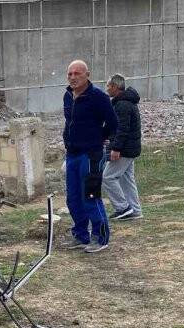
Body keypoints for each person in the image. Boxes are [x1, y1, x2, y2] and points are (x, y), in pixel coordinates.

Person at [62, 60, 117, 253]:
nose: (73, 77)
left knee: (90, 197)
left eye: (77, 73)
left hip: (91, 154)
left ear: (87, 75)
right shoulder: (67, 96)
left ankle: (100, 237)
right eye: (70, 74)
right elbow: (69, 123)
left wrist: (98, 139)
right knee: (73, 198)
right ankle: (80, 235)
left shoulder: (99, 97)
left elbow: (113, 124)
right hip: (72, 154)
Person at [103, 74, 142, 220]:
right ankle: (135, 210)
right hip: (130, 148)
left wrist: (116, 148)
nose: (107, 89)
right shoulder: (125, 102)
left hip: (125, 149)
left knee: (107, 177)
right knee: (127, 179)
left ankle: (123, 207)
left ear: (115, 87)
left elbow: (122, 129)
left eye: (108, 86)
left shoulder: (122, 104)